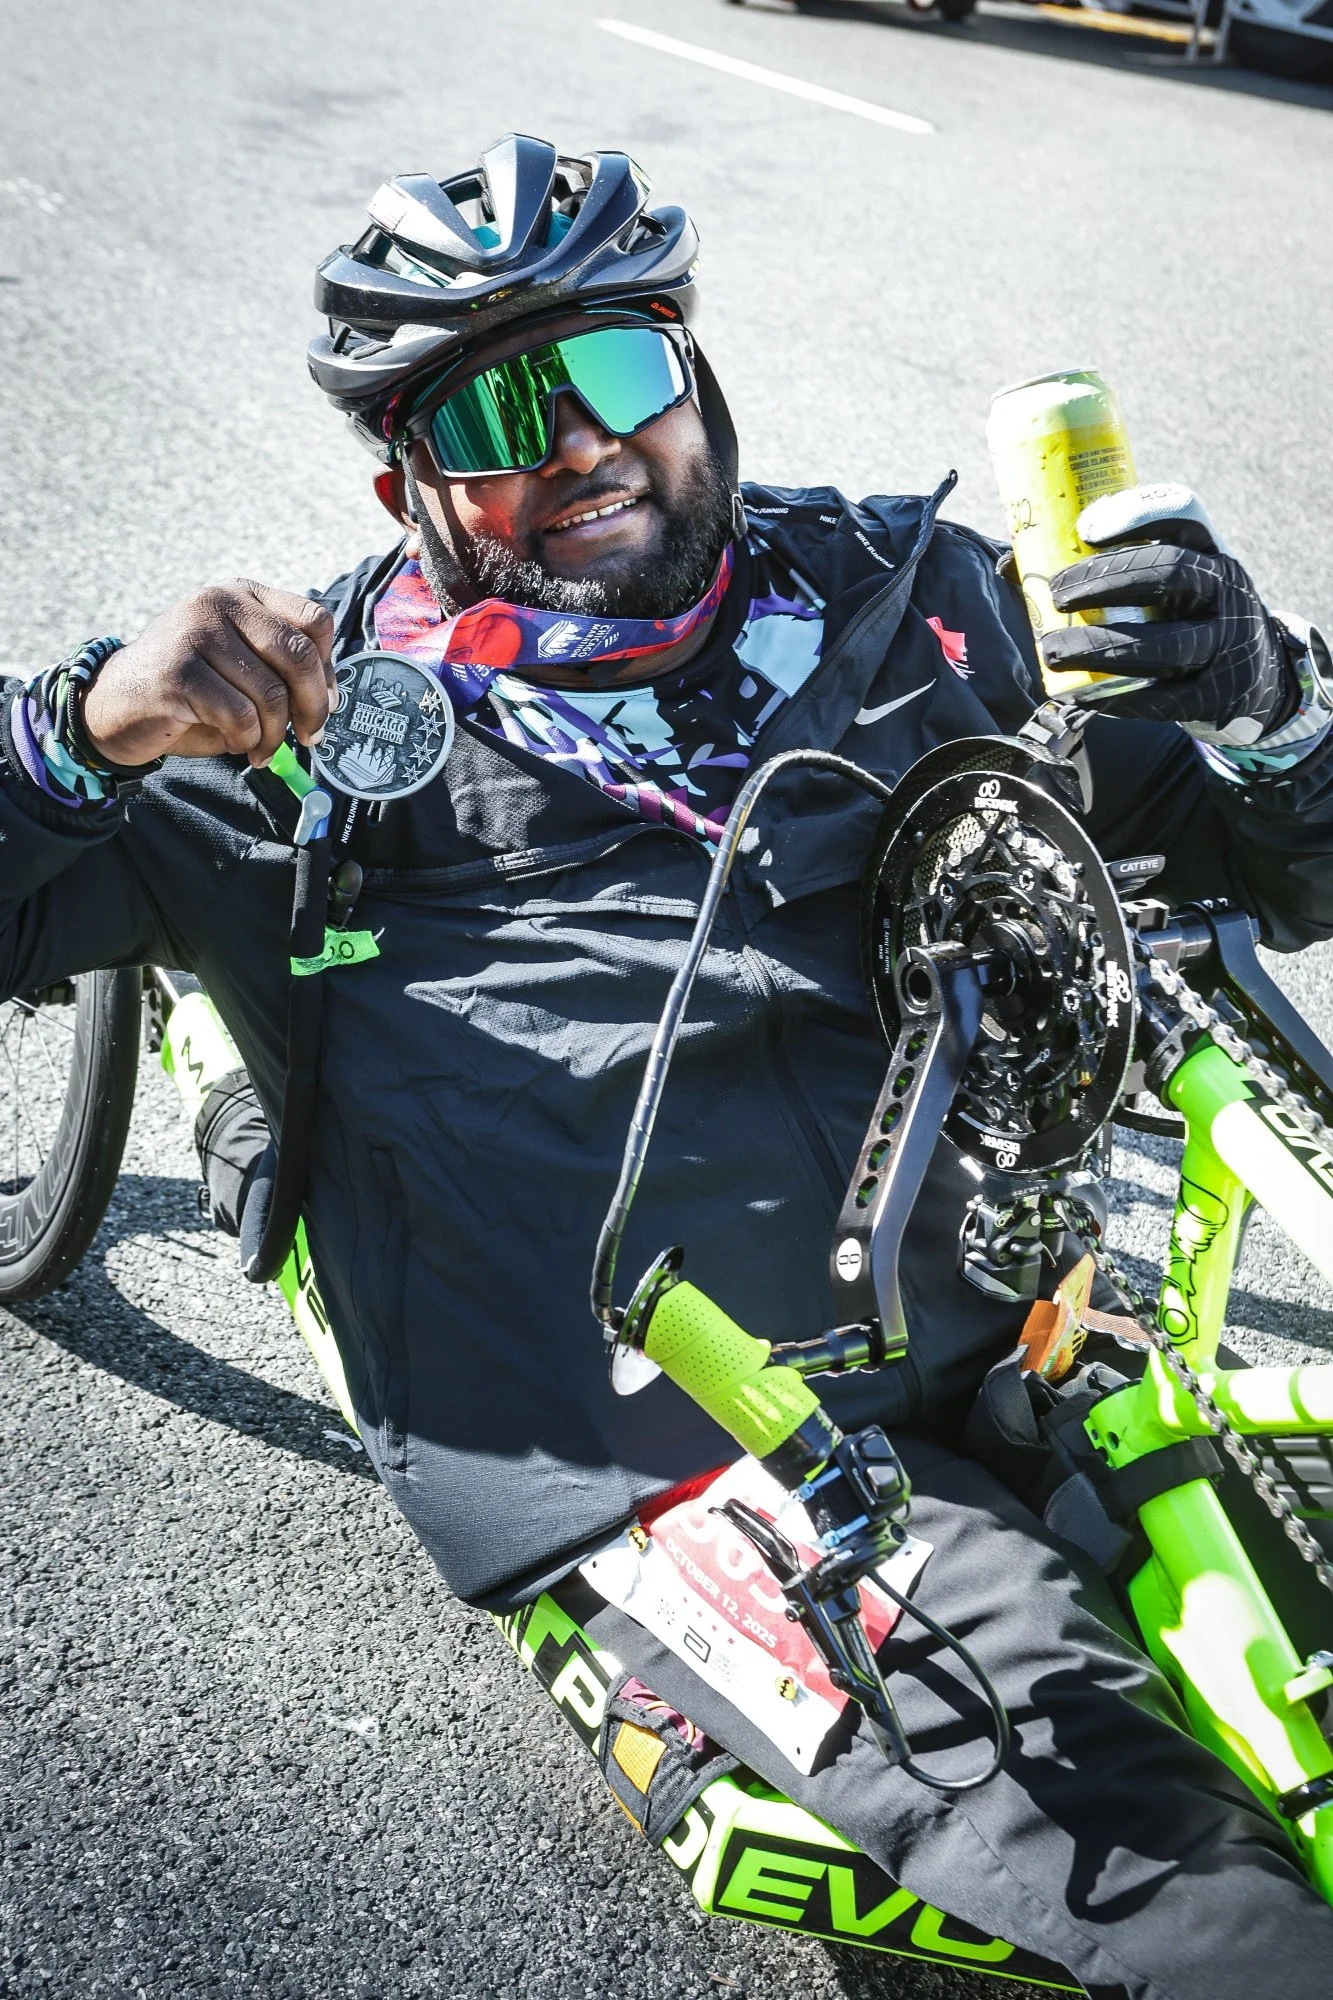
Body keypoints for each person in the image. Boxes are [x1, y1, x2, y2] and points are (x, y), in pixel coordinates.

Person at [5, 134, 1333, 1999]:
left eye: (617, 371)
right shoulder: (293, 747)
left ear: (694, 384)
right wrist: (80, 731)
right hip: (707, 1443)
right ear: (409, 485)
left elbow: (1288, 858)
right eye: (498, 411)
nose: (580, 446)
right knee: (1213, 1910)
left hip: (1034, 1308)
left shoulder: (920, 600)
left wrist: (1264, 699)